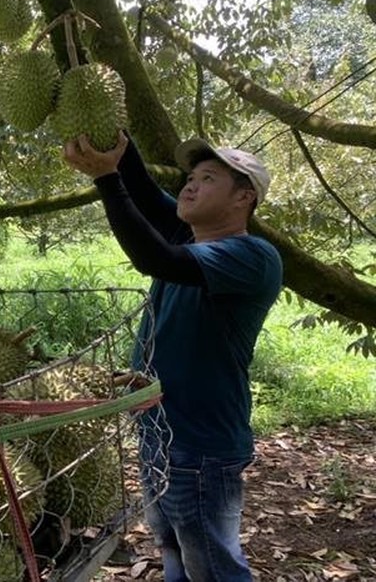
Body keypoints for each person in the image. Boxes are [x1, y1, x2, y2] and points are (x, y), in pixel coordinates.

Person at [63, 131, 283, 582]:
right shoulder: (191, 235)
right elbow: (142, 191)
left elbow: (154, 257)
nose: (189, 185)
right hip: (159, 436)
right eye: (190, 177)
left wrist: (106, 179)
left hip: (200, 445)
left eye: (207, 178)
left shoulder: (252, 256)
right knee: (175, 555)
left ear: (243, 198)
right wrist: (115, 139)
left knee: (213, 567)